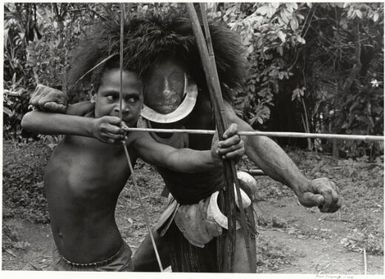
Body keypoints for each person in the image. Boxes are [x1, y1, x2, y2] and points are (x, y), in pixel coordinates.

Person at [30, 12, 341, 272]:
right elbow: (61, 116)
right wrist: (52, 101)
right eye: (156, 80)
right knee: (136, 270)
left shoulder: (209, 105)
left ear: (190, 76)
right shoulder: (133, 115)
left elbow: (252, 139)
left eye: (174, 79)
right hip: (178, 208)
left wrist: (301, 184)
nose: (166, 90)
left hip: (226, 205)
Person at [21, 23, 246, 272]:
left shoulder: (133, 138)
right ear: (94, 94)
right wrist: (93, 127)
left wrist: (214, 155)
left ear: (143, 104)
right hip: (62, 260)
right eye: (111, 96)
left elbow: (175, 156)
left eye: (132, 99)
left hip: (107, 265)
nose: (121, 107)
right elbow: (30, 121)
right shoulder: (83, 114)